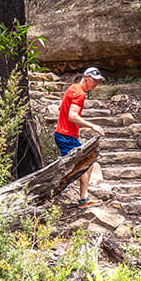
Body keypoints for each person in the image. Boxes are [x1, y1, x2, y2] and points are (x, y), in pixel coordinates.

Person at [54, 66, 106, 208]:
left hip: (64, 134)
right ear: (87, 78)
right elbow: (72, 116)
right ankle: (82, 199)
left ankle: (82, 196)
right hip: (66, 136)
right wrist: (92, 126)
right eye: (94, 81)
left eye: (98, 81)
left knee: (85, 164)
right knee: (84, 164)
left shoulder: (73, 88)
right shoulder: (79, 93)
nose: (96, 84)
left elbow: (61, 108)